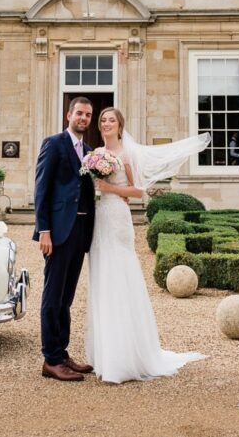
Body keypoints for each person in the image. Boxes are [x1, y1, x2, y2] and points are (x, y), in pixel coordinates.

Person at [86, 106, 209, 384]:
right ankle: (105, 354)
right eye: (103, 120)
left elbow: (138, 190)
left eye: (111, 120)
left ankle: (126, 357)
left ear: (120, 126)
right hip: (99, 219)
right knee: (102, 278)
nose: (106, 124)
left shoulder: (126, 154)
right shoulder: (95, 154)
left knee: (119, 276)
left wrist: (110, 189)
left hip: (116, 218)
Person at [32, 97, 95, 381]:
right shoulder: (54, 143)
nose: (83, 118)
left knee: (67, 297)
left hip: (81, 230)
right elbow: (41, 188)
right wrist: (44, 230)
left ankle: (63, 352)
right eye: (79, 113)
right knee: (52, 295)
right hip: (58, 231)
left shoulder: (92, 151)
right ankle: (51, 360)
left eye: (88, 114)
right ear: (68, 115)